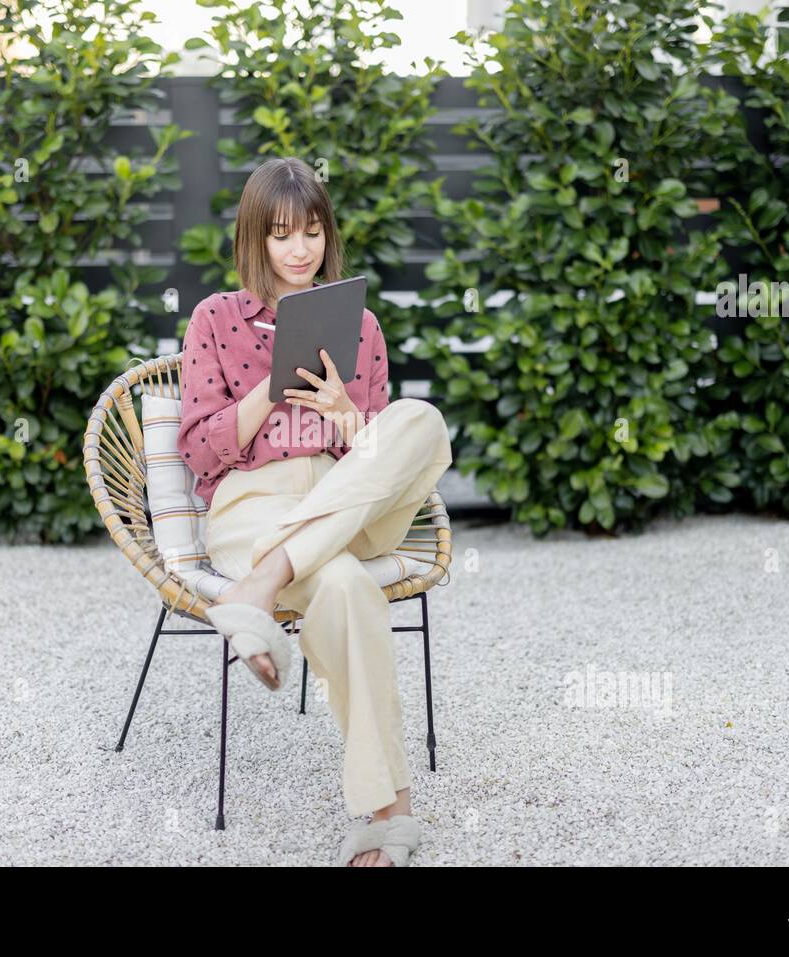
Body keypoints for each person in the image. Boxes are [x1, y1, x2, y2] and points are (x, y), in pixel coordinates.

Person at [176, 157, 453, 867]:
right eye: (281, 234)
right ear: (254, 240)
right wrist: (270, 391)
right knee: (348, 586)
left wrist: (344, 414)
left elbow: (384, 460)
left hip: (341, 498)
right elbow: (200, 453)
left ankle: (259, 587)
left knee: (419, 420)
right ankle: (389, 811)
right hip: (255, 504)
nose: (300, 249)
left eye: (312, 232)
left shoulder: (359, 325)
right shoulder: (214, 319)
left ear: (329, 236)